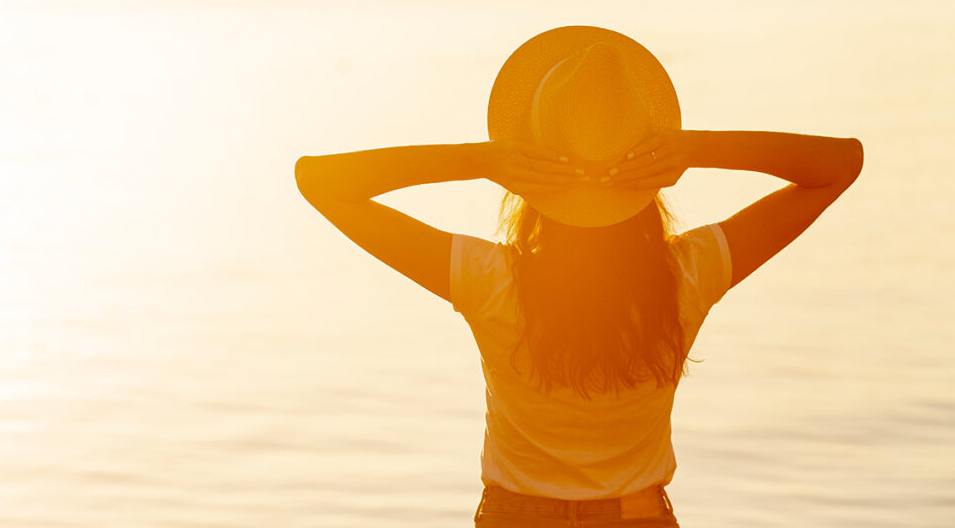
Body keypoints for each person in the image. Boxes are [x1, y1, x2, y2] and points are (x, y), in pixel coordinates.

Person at [294, 26, 863, 527]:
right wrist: (695, 149)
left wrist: (480, 160)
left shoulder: (487, 278)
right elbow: (841, 164)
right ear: (648, 178)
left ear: (533, 176)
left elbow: (321, 181)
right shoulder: (692, 270)